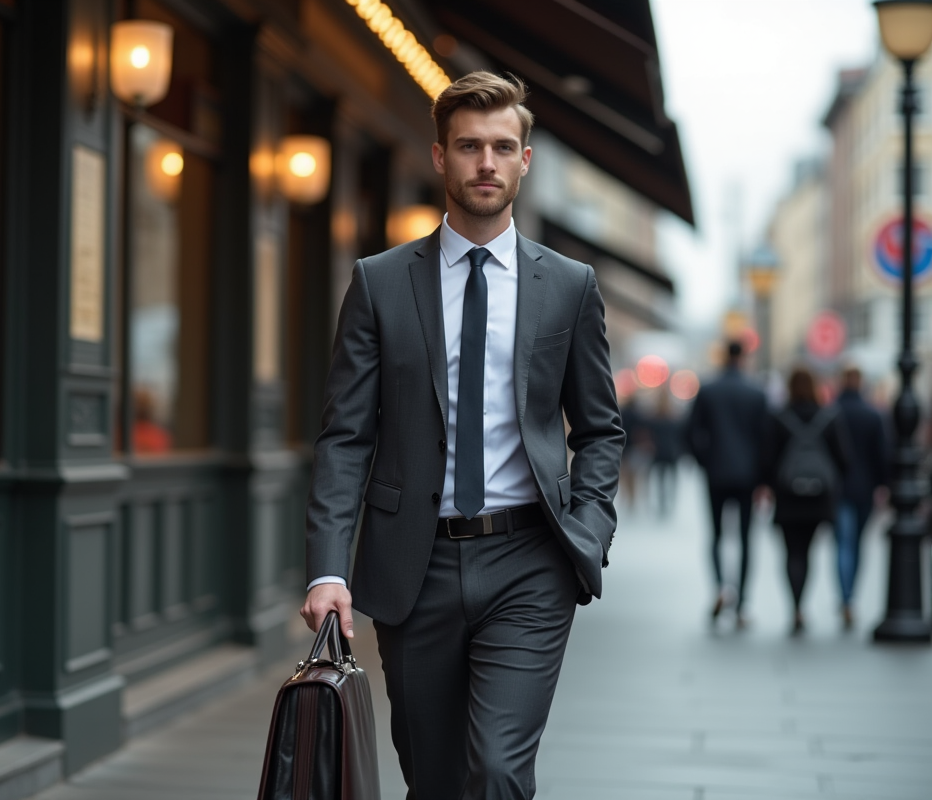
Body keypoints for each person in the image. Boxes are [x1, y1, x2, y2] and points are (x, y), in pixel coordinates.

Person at [300, 72, 624, 800]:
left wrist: (590, 527)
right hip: (415, 568)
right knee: (436, 779)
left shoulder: (569, 285)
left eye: (503, 147)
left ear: (525, 160)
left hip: (531, 561)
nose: (487, 162)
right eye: (470, 146)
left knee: (500, 773)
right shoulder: (380, 282)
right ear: (440, 157)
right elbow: (345, 437)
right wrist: (328, 570)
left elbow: (600, 427)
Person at [684, 340, 767, 626]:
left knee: (717, 535)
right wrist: (763, 477)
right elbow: (765, 440)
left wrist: (705, 461)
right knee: (746, 539)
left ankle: (721, 587)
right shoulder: (756, 393)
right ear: (743, 357)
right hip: (748, 477)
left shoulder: (708, 390)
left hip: (716, 473)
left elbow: (691, 432)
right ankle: (742, 603)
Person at [762, 367, 850, 635]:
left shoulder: (779, 417)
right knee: (808, 552)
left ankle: (795, 606)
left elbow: (767, 457)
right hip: (818, 498)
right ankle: (802, 605)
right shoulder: (828, 417)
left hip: (788, 496)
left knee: (792, 553)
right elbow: (844, 459)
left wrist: (767, 487)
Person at [832, 366, 887, 629]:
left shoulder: (831, 413)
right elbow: (882, 455)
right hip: (864, 488)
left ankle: (846, 598)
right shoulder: (872, 415)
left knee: (843, 543)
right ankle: (850, 595)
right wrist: (883, 485)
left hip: (838, 488)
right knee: (856, 544)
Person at [646, 389, 685, 517]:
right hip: (671, 452)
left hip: (659, 452)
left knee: (660, 479)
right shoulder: (674, 419)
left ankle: (663, 502)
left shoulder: (654, 419)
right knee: (671, 478)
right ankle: (669, 501)